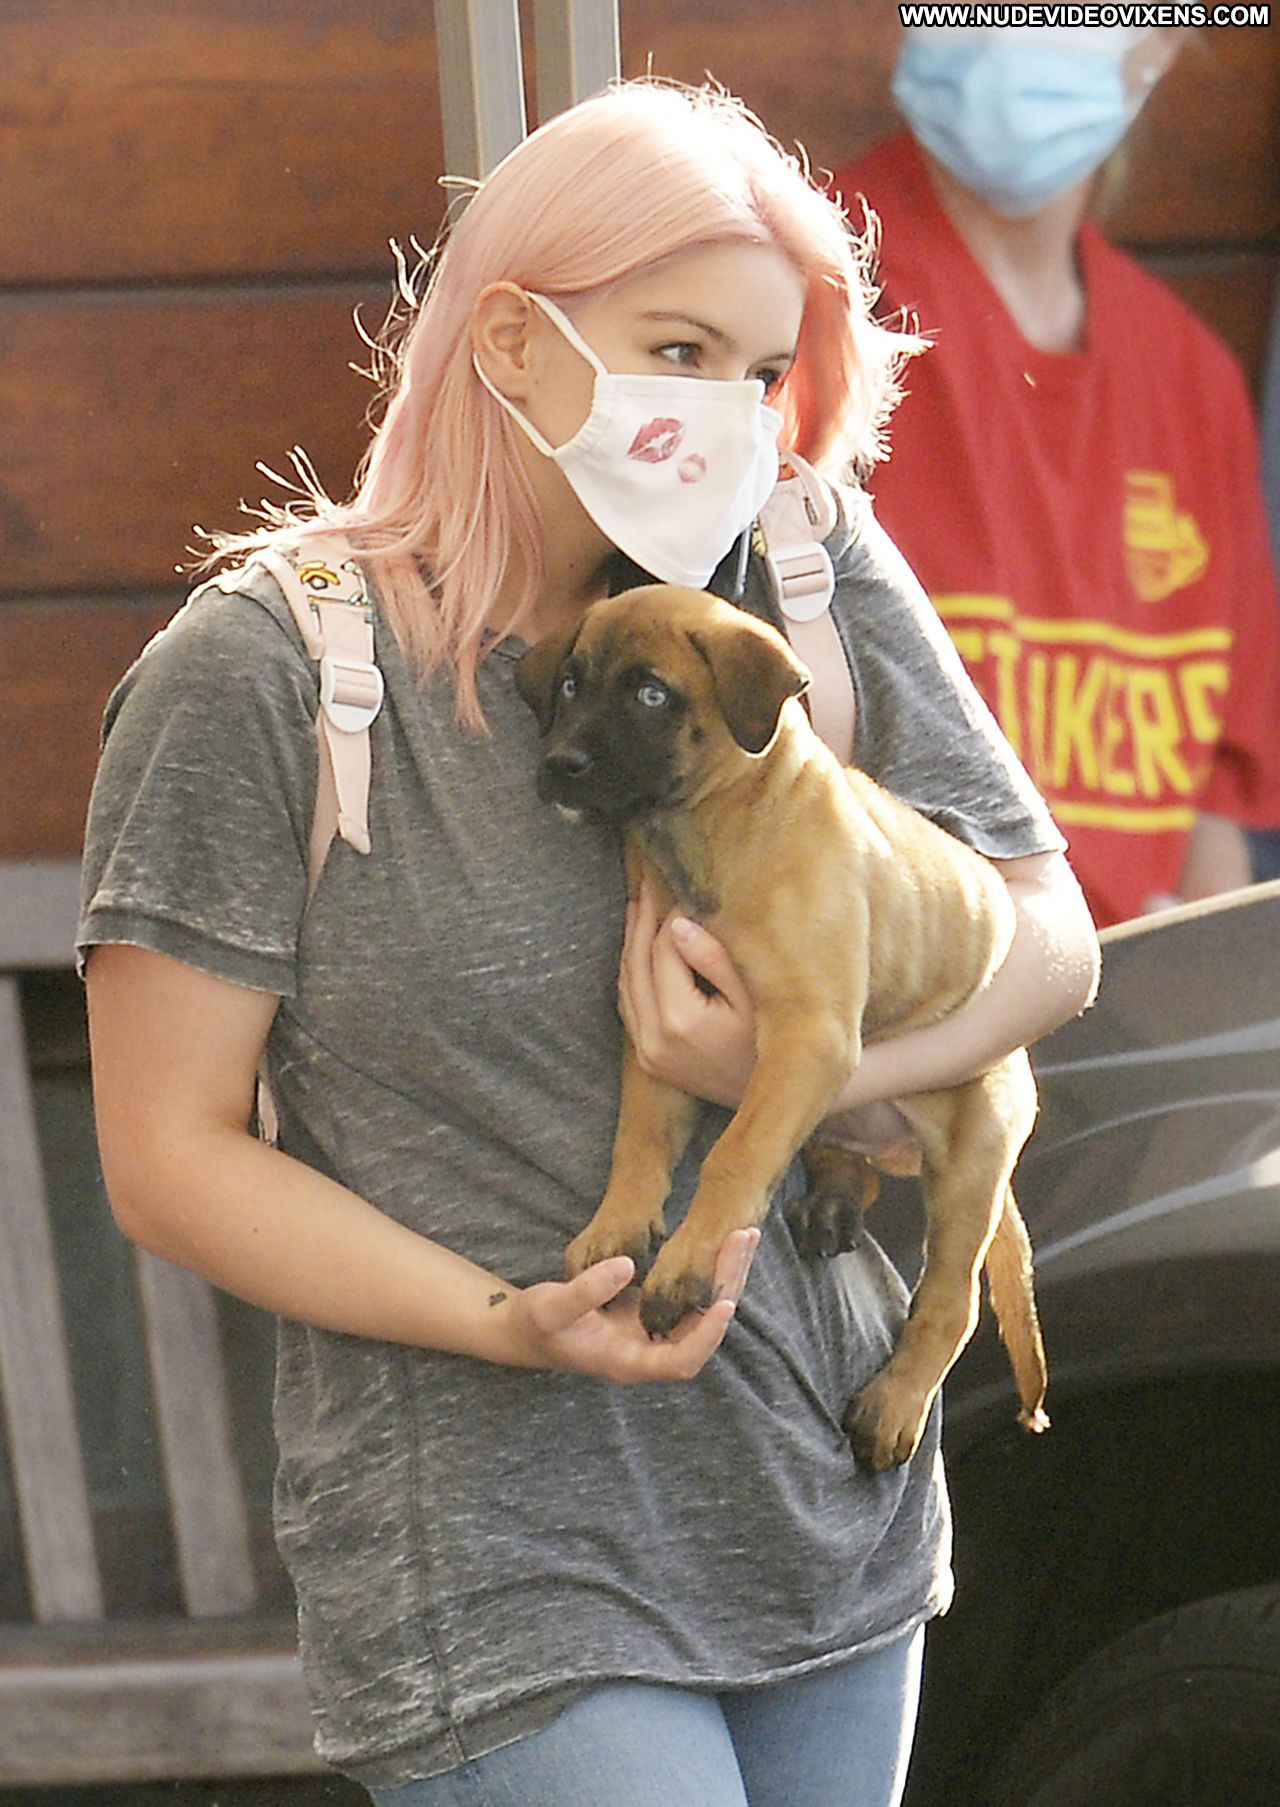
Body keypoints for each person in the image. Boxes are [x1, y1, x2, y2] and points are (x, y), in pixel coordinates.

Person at [80, 81, 1098, 1807]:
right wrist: (506, 1320)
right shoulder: (263, 673)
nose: (730, 415)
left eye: (761, 371)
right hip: (502, 1555)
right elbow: (166, 1154)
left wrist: (814, 1062)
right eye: (678, 349)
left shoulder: (803, 577)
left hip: (823, 1515)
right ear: (510, 341)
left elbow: (1050, 936)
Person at [833, 24, 1280, 929]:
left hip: (1132, 997)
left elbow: (1215, 821)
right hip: (894, 977)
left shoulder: (1191, 379)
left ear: (1161, 43)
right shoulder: (813, 293)